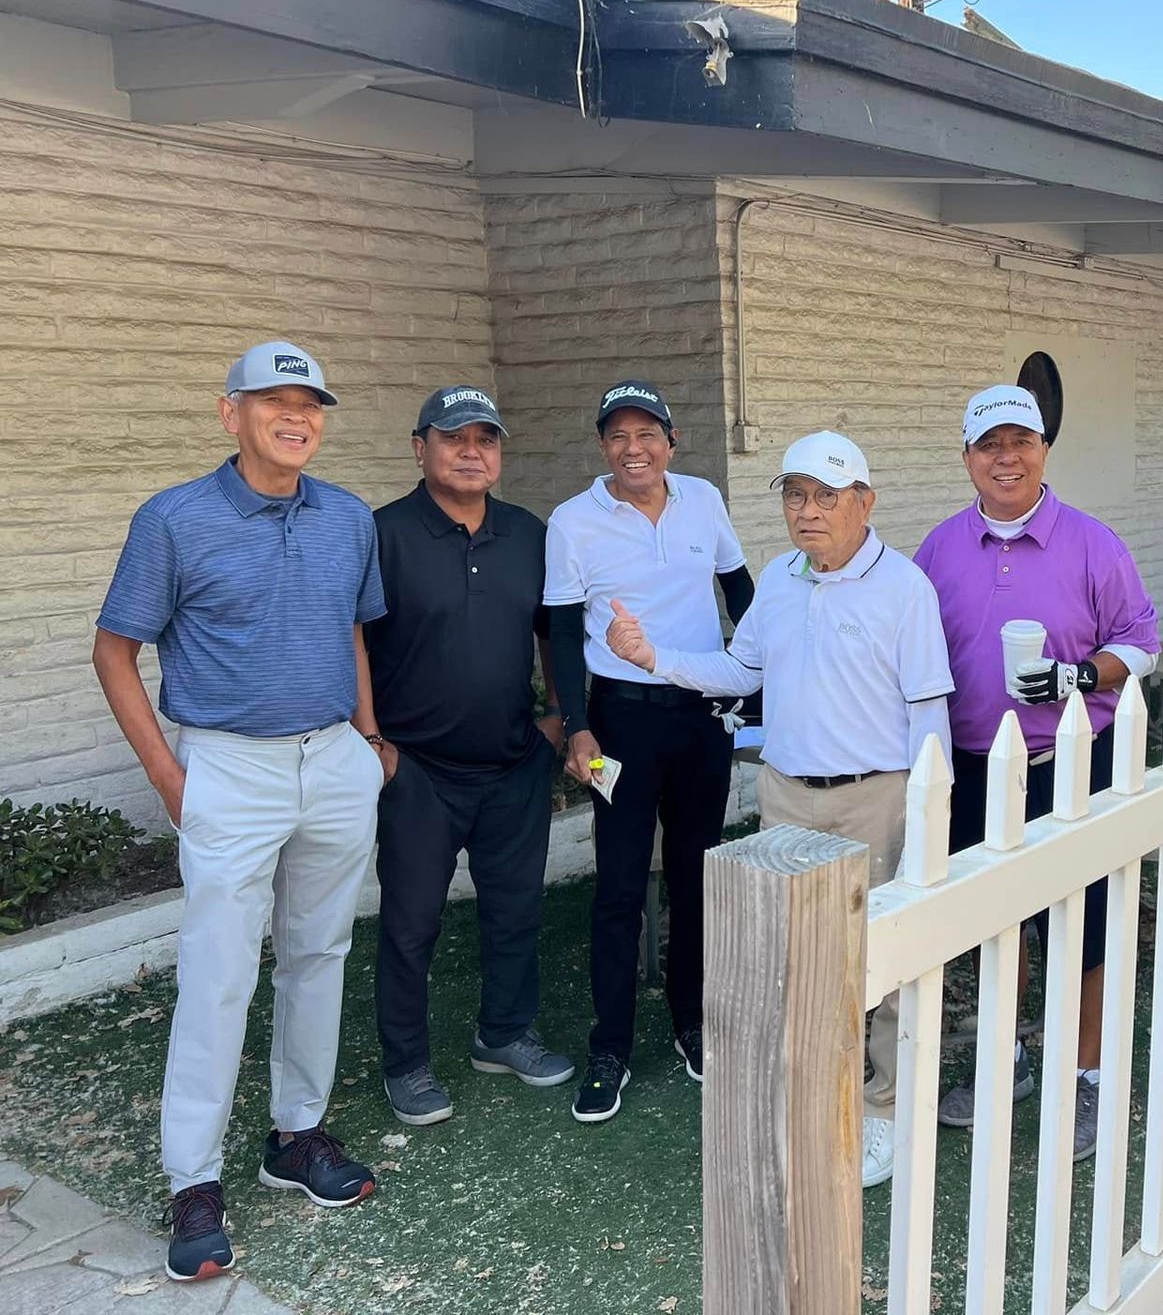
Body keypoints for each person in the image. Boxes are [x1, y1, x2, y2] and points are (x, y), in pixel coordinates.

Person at [92, 342, 388, 1283]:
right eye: (274, 400)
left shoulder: (347, 517)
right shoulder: (174, 519)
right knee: (218, 975)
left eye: (310, 403)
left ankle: (296, 1136)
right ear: (231, 413)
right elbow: (113, 651)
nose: (296, 417)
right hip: (226, 765)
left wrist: (369, 739)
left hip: (331, 759)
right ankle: (194, 1179)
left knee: (319, 954)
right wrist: (168, 777)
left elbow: (350, 628)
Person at [603, 431, 955, 1189]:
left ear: (865, 502)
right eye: (796, 495)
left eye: (827, 496)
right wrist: (654, 660)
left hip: (876, 795)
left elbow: (929, 710)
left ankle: (885, 1106)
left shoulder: (905, 588)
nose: (808, 511)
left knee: (881, 962)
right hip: (787, 794)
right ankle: (812, 1090)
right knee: (792, 957)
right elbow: (742, 669)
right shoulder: (779, 578)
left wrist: (932, 811)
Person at [912, 384, 1159, 1162]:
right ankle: (1007, 1059)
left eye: (1021, 441)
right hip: (973, 766)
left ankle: (1086, 1076)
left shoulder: (1093, 543)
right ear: (966, 458)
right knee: (994, 923)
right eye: (989, 445)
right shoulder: (939, 549)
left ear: (1044, 449)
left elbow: (1142, 643)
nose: (1006, 458)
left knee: (1082, 928)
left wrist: (1077, 676)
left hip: (1072, 762)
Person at [362, 386, 574, 1127]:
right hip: (418, 771)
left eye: (486, 439)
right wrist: (373, 741)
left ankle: (504, 1034)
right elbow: (350, 640)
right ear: (419, 448)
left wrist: (557, 718)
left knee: (515, 912)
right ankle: (406, 1063)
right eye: (455, 438)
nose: (472, 452)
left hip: (514, 762)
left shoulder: (527, 533)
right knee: (410, 925)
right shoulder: (382, 534)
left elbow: (555, 629)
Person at [544, 379, 754, 1122]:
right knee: (620, 887)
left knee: (698, 877)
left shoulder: (703, 500)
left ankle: (692, 1023)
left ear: (671, 442)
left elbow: (740, 591)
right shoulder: (573, 521)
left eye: (647, 435)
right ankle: (611, 1047)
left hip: (699, 712)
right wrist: (576, 726)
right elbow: (561, 632)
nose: (634, 450)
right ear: (604, 446)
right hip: (620, 722)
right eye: (618, 437)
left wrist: (759, 673)